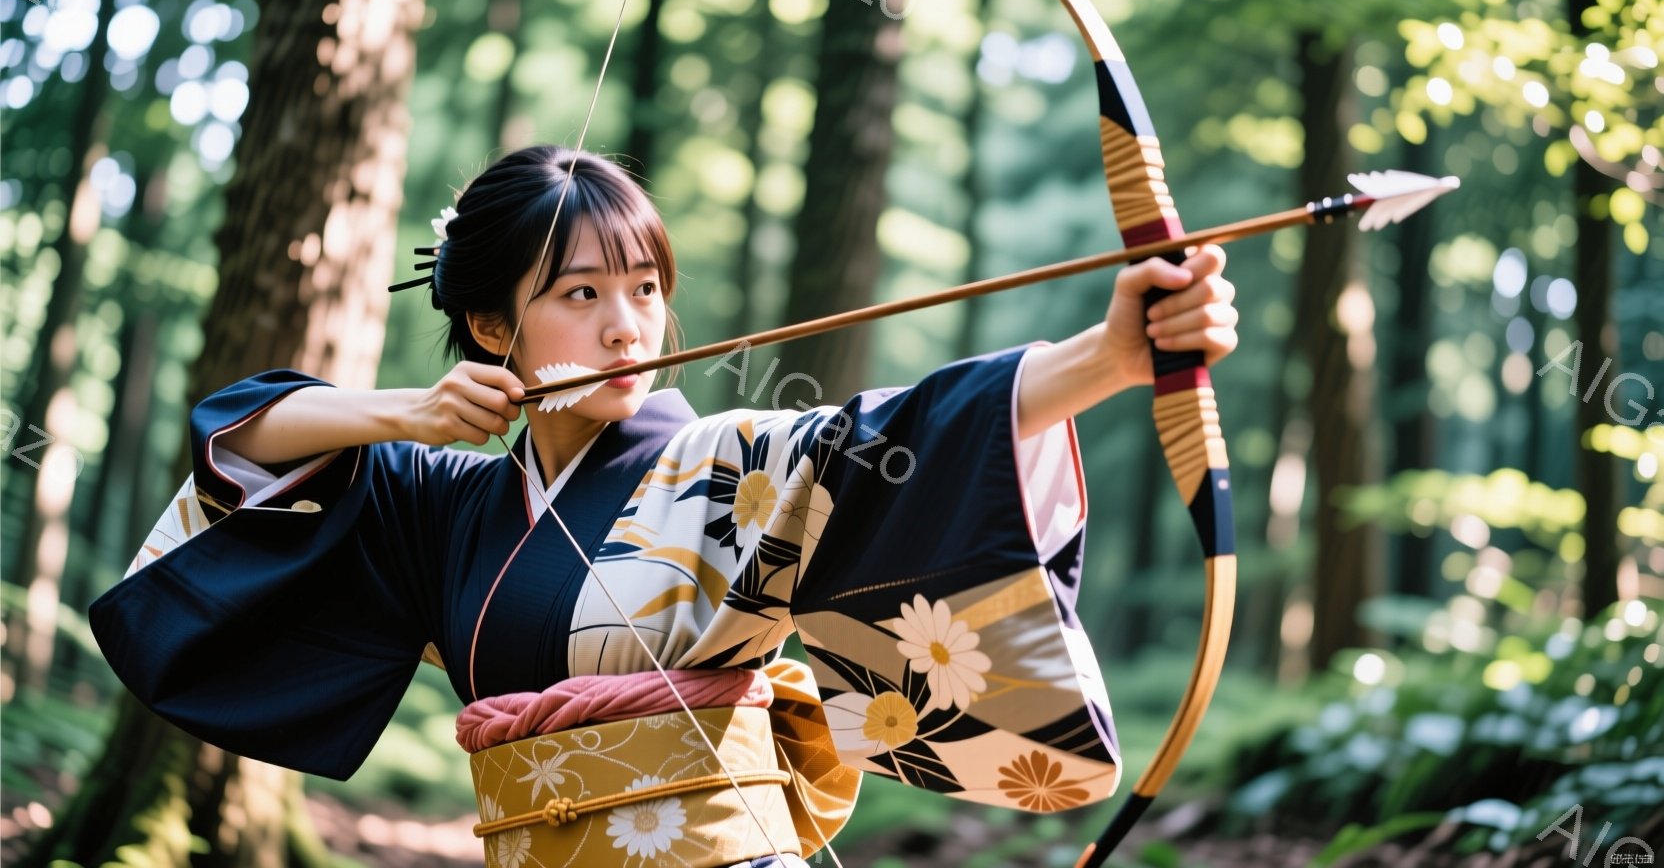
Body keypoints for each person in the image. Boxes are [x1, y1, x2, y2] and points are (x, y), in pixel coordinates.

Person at [92, 144, 1239, 867]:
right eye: (580, 294)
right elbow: (243, 434)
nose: (627, 326)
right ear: (494, 327)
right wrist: (400, 414)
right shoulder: (443, 499)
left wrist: (1107, 354)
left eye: (644, 290)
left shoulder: (722, 460)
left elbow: (882, 437)